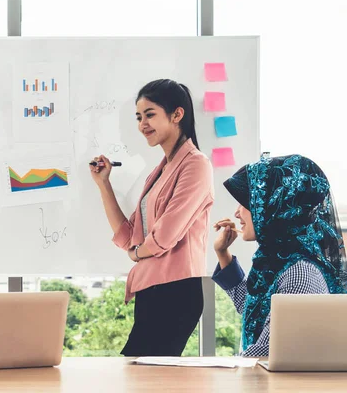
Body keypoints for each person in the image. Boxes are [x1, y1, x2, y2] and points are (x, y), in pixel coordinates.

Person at [90, 79, 214, 356]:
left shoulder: (196, 165)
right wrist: (104, 184)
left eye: (149, 115)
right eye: (138, 117)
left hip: (176, 290)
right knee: (142, 376)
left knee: (144, 376)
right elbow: (127, 234)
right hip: (151, 288)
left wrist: (136, 255)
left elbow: (164, 237)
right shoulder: (157, 173)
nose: (142, 124)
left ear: (177, 114)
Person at [212, 155, 347, 356]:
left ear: (274, 207)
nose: (237, 212)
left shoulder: (299, 273)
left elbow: (266, 352)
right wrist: (222, 253)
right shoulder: (279, 259)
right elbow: (251, 308)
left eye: (247, 203)